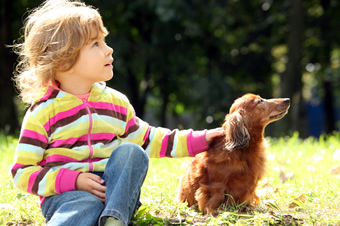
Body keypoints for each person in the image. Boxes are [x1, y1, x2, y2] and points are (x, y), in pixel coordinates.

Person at [11, 0, 225, 225]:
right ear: (65, 60)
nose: (108, 49)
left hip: (116, 195)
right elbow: (22, 173)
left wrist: (202, 140)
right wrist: (74, 181)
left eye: (104, 41)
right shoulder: (43, 112)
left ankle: (113, 219)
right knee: (85, 205)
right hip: (67, 196)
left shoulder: (115, 102)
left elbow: (149, 139)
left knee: (132, 153)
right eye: (95, 44)